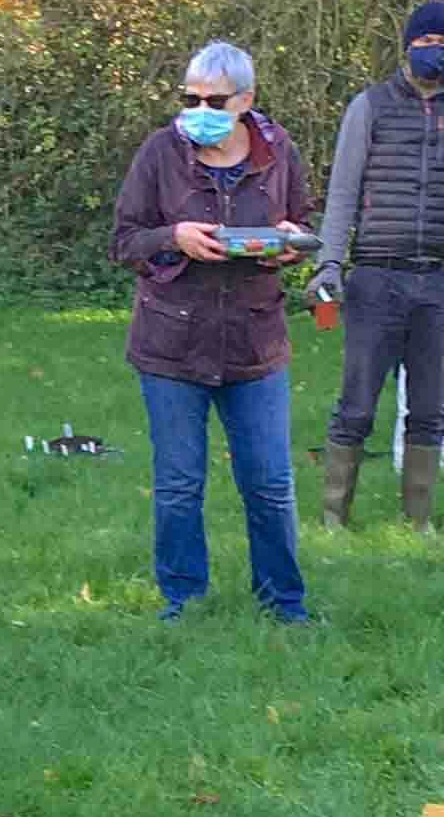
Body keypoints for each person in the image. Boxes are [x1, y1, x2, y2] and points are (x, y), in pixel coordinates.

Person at [112, 42, 316, 623]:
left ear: (246, 100)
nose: (199, 109)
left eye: (214, 100)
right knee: (179, 485)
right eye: (190, 98)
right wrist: (173, 237)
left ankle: (285, 603)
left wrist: (289, 243)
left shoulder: (278, 152)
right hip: (171, 345)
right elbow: (124, 241)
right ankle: (183, 602)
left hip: (255, 342)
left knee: (270, 484)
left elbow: (303, 223)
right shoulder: (160, 152)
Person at [308, 0, 444, 531]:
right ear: (407, 46)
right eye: (424, 41)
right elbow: (342, 194)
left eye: (443, 42)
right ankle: (333, 519)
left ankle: (418, 522)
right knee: (357, 405)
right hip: (376, 276)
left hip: (440, 281)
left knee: (430, 409)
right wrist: (329, 264)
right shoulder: (369, 106)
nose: (433, 50)